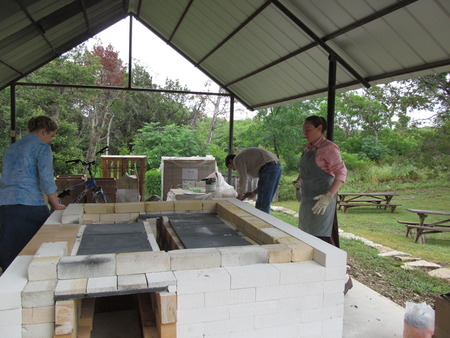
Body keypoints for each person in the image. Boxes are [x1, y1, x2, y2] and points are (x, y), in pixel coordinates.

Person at [292, 115, 352, 294]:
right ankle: (317, 276)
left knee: (324, 239)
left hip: (322, 201)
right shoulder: (308, 148)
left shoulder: (329, 148)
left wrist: (329, 196)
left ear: (319, 128)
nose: (305, 133)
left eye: (308, 130)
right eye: (304, 130)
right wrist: (298, 181)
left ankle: (344, 278)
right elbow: (306, 170)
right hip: (308, 199)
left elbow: (341, 173)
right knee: (307, 236)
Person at [0, 115, 66, 271]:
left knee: (10, 251)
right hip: (29, 204)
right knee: (41, 246)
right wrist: (56, 204)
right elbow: (46, 179)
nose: (50, 140)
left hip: (5, 204)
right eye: (51, 135)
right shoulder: (41, 148)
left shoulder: (11, 148)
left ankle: (7, 287)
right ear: (44, 131)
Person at [225, 147, 282, 214]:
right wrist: (255, 192)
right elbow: (264, 182)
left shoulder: (237, 159)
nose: (234, 169)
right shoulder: (245, 158)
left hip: (269, 167)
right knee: (265, 202)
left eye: (231, 167)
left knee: (262, 205)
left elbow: (243, 178)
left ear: (230, 161)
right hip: (277, 166)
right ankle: (263, 221)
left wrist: (240, 195)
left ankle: (260, 223)